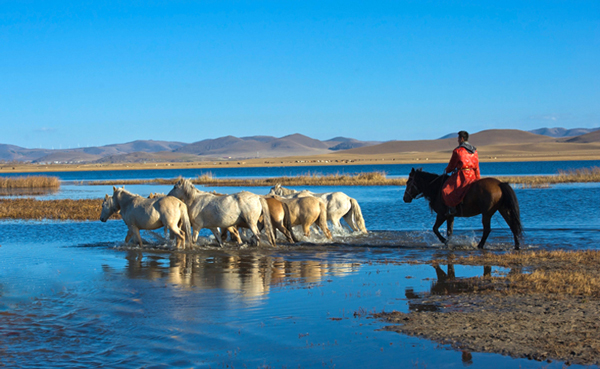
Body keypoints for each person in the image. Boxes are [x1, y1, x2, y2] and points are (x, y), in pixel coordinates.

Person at [441, 131, 480, 215]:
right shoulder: (474, 150)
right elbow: (476, 166)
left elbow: (451, 165)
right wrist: (477, 178)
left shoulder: (458, 151)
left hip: (462, 176)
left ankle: (452, 208)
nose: (458, 140)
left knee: (446, 189)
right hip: (472, 175)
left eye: (458, 138)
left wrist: (447, 170)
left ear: (461, 138)